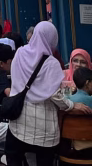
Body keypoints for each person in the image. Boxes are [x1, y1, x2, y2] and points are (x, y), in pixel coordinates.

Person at [5, 21, 92, 166]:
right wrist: (71, 105)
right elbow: (55, 95)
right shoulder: (51, 63)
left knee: (14, 159)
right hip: (43, 128)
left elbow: (15, 80)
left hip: (19, 121)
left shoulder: (19, 53)